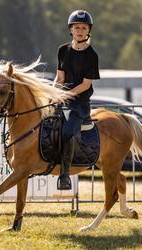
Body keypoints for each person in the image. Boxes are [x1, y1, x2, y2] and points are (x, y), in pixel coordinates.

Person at [54, 10, 100, 190]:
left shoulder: (92, 55)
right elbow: (59, 78)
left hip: (80, 104)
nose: (80, 30)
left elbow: (86, 84)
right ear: (70, 30)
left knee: (67, 132)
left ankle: (64, 175)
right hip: (62, 99)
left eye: (84, 27)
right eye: (76, 27)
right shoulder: (62, 50)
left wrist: (68, 94)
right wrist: (52, 92)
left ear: (88, 30)